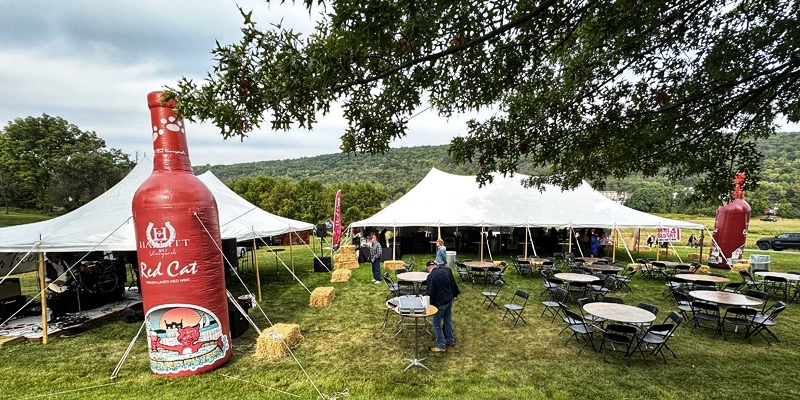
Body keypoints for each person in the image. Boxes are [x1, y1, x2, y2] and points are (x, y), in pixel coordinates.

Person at [424, 260, 460, 353]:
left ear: (429, 268)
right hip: (449, 300)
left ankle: (441, 345)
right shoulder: (445, 271)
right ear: (436, 265)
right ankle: (450, 340)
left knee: (436, 324)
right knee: (448, 321)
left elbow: (429, 293)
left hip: (439, 304)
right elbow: (451, 285)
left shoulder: (431, 277)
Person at [44, 252, 76, 323]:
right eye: (54, 254)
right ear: (49, 255)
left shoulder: (64, 262)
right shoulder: (45, 264)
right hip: (52, 285)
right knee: (57, 298)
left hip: (64, 284)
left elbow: (71, 273)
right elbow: (43, 277)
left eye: (57, 253)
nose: (57, 255)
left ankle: (63, 313)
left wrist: (66, 280)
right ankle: (56, 314)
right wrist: (54, 282)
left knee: (68, 294)